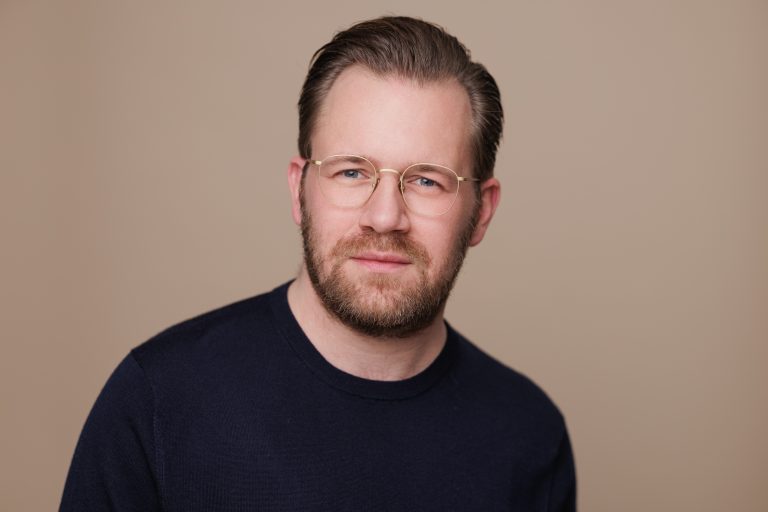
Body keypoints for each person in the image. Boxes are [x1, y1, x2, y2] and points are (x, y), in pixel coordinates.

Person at [60, 16, 576, 511]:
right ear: (299, 190)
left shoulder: (530, 435)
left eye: (426, 180)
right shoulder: (158, 401)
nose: (384, 217)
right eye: (352, 172)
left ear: (481, 211)